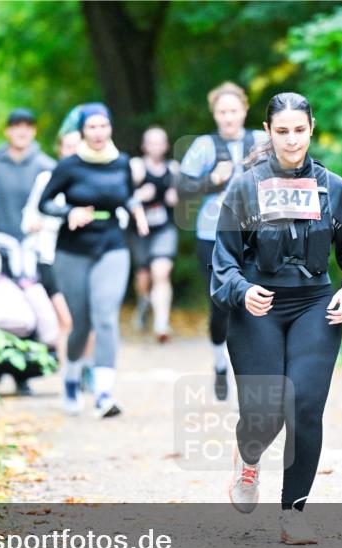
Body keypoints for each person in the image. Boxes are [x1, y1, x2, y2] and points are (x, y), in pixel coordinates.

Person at [210, 92, 342, 545]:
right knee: (264, 413)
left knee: (303, 406)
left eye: (299, 130)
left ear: (311, 128)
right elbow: (222, 265)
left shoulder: (334, 188)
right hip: (258, 307)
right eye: (281, 131)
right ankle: (249, 457)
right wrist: (243, 291)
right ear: (267, 132)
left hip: (314, 306)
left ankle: (294, 511)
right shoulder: (244, 188)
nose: (291, 140)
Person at [38, 102, 149, 418]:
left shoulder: (122, 163)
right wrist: (69, 211)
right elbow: (45, 202)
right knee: (80, 323)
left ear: (110, 128)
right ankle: (72, 378)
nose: (99, 133)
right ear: (83, 132)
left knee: (105, 317)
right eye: (92, 127)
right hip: (73, 249)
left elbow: (126, 194)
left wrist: (136, 210)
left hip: (112, 244)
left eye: (104, 126)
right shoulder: (70, 166)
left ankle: (103, 394)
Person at [177, 82, 267, 400]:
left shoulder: (261, 140)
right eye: (222, 112)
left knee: (259, 302)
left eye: (233, 111)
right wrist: (209, 181)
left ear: (244, 110)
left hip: (256, 235)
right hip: (212, 235)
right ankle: (219, 363)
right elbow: (181, 187)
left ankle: (252, 371)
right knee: (221, 307)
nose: (228, 117)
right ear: (214, 115)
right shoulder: (204, 145)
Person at [22, 108, 84, 391]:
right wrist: (38, 223)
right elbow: (29, 217)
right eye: (67, 147)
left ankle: (85, 369)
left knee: (86, 318)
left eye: (76, 146)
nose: (72, 152)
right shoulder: (46, 180)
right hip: (48, 256)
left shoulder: (89, 180)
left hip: (82, 255)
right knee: (66, 319)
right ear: (60, 150)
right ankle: (68, 378)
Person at [0, 107, 56, 244]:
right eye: (17, 126)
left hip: (37, 246)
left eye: (28, 126)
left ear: (34, 131)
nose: (22, 131)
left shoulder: (48, 167)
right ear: (7, 131)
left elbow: (57, 207)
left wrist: (44, 223)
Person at [126, 126, 179, 342]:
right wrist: (138, 193)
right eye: (152, 142)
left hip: (164, 228)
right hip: (139, 230)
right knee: (144, 276)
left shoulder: (173, 168)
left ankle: (161, 323)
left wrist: (176, 196)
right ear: (144, 146)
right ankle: (144, 302)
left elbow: (181, 196)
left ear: (166, 146)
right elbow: (121, 194)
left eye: (160, 142)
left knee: (162, 271)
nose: (156, 147)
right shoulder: (136, 167)